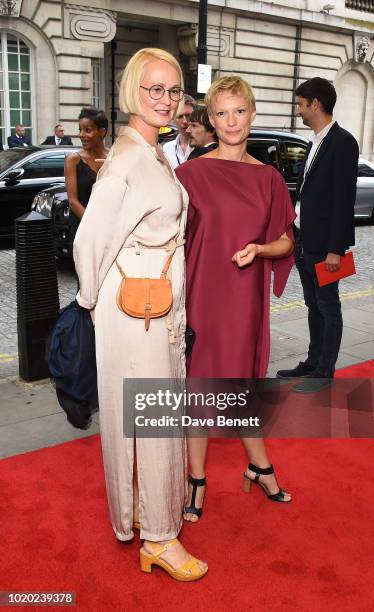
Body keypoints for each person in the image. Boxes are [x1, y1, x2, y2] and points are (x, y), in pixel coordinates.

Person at [73, 48, 208, 581]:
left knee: (147, 418)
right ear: (133, 90)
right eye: (154, 89)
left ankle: (140, 513)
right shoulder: (130, 159)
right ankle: (159, 537)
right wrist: (91, 306)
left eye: (173, 90)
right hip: (136, 316)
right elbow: (90, 242)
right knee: (153, 420)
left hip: (152, 311)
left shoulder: (150, 151)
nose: (166, 99)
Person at [176, 76, 294, 522]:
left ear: (252, 114)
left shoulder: (269, 179)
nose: (231, 121)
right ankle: (197, 480)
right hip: (203, 295)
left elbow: (285, 241)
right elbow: (169, 239)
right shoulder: (189, 174)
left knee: (242, 384)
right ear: (210, 118)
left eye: (239, 111)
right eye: (221, 113)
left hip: (245, 298)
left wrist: (260, 250)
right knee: (201, 386)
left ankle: (258, 467)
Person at [276, 77, 359, 393]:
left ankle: (324, 373)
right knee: (313, 305)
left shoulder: (343, 142)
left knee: (328, 306)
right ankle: (312, 362)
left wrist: (335, 249)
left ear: (316, 104)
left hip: (326, 248)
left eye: (300, 104)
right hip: (304, 242)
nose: (298, 110)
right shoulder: (314, 141)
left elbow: (342, 199)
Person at [64, 108, 108, 257]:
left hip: (109, 229)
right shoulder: (73, 160)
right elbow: (73, 201)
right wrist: (95, 225)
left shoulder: (113, 157)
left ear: (102, 132)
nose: (81, 135)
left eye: (87, 130)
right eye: (80, 130)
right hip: (82, 228)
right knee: (84, 278)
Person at [162, 93, 195, 168]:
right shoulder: (167, 149)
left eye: (188, 115)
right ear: (173, 119)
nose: (185, 121)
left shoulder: (205, 147)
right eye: (180, 116)